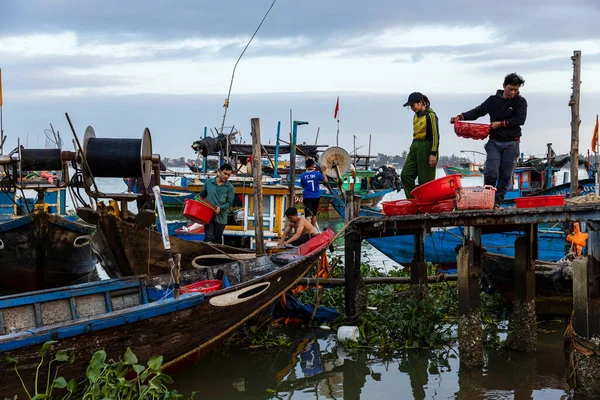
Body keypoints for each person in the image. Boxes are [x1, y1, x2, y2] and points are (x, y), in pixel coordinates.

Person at [450, 73, 527, 208]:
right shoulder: (493, 100)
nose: (512, 92)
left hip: (512, 143)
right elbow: (477, 112)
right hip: (494, 142)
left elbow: (520, 120)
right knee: (491, 172)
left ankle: (496, 203)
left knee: (505, 177)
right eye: (510, 89)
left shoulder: (520, 102)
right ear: (504, 86)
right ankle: (487, 200)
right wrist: (460, 116)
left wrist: (501, 123)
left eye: (516, 90)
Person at [400, 92, 440, 199]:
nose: (412, 108)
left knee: (425, 182)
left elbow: (435, 136)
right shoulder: (415, 116)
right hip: (415, 146)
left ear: (421, 103)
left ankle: (425, 205)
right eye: (410, 106)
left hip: (427, 147)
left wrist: (433, 153)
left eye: (413, 105)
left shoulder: (431, 116)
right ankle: (413, 201)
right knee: (405, 175)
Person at [196, 163, 235, 244]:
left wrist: (220, 208)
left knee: (217, 239)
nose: (227, 176)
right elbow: (201, 196)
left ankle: (217, 255)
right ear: (219, 171)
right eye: (225, 173)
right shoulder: (208, 183)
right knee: (208, 238)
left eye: (229, 175)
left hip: (221, 218)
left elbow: (229, 202)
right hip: (208, 216)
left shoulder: (230, 187)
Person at [300, 159, 328, 227]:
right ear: (313, 165)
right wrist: (324, 172)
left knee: (307, 215)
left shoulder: (303, 175)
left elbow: (303, 185)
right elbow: (326, 181)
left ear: (306, 166)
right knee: (314, 214)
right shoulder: (317, 174)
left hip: (307, 196)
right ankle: (313, 230)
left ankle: (308, 230)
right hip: (316, 196)